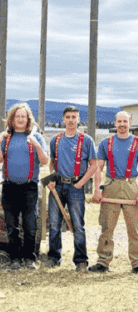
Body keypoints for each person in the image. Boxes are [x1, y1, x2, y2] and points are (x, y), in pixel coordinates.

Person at [0, 103, 49, 271]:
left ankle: (30, 259)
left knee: (30, 225)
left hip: (29, 188)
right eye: (17, 116)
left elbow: (45, 161)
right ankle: (15, 259)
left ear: (28, 120)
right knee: (11, 226)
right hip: (9, 187)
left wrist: (36, 145)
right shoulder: (7, 138)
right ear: (12, 119)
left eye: (23, 117)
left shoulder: (36, 137)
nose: (20, 119)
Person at [44, 106, 98, 273]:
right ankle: (54, 257)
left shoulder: (86, 140)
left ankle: (81, 261)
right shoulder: (56, 140)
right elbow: (51, 162)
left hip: (76, 187)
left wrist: (80, 184)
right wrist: (51, 179)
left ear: (78, 119)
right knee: (54, 224)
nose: (70, 120)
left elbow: (94, 165)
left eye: (74, 117)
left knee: (78, 224)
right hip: (57, 186)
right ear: (63, 119)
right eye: (68, 117)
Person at [90, 111, 138, 274]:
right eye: (119, 121)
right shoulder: (106, 143)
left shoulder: (137, 143)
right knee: (107, 227)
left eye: (125, 121)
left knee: (135, 228)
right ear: (115, 123)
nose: (122, 124)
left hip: (131, 186)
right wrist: (97, 189)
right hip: (110, 186)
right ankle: (103, 261)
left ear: (130, 123)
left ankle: (137, 262)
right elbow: (98, 168)